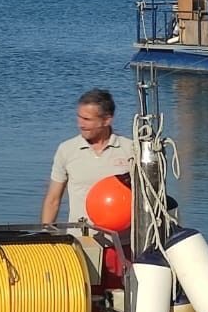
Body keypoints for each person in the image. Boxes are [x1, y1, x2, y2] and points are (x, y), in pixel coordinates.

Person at [41, 89, 137, 225]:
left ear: (107, 120)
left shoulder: (131, 150)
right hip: (80, 238)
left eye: (87, 119)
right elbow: (53, 200)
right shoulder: (67, 149)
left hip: (122, 241)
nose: (80, 124)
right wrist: (45, 234)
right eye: (79, 117)